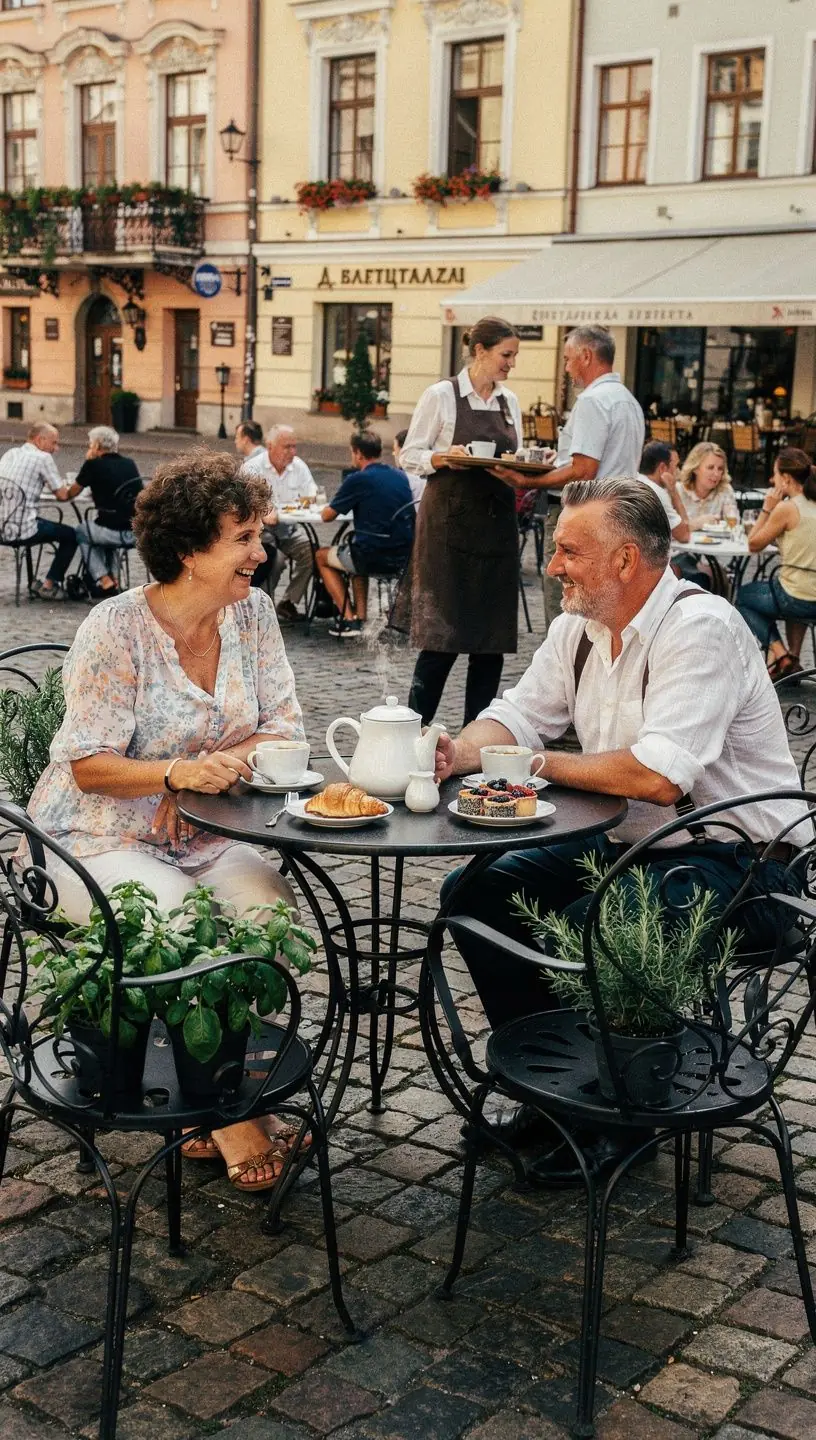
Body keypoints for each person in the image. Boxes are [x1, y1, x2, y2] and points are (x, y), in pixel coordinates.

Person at [433, 477, 808, 1179]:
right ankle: (556, 1096)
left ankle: (621, 1122)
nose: (552, 565)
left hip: (748, 868)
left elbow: (659, 777)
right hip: (635, 847)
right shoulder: (578, 628)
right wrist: (458, 750)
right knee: (474, 892)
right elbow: (517, 715)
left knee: (594, 924)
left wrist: (535, 764)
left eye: (569, 551)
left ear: (626, 559)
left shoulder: (699, 628)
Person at [26, 449, 306, 1194]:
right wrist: (171, 774)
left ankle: (217, 1085)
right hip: (93, 836)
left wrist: (198, 781)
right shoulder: (116, 627)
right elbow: (89, 764)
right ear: (188, 551)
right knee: (182, 928)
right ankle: (230, 1116)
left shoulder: (253, 615)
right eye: (242, 538)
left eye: (258, 535)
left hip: (208, 832)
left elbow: (284, 729)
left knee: (270, 916)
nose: (260, 552)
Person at [400, 315, 524, 725]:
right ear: (480, 351)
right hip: (448, 531)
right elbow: (409, 455)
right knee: (441, 640)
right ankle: (412, 732)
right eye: (506, 355)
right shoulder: (441, 395)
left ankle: (475, 737)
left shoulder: (509, 402)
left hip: (496, 529)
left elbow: (516, 456)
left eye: (514, 356)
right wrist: (442, 457)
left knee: (490, 644)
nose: (511, 364)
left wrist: (522, 467)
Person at [500, 327, 644, 632]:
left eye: (567, 359)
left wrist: (526, 481)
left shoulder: (593, 399)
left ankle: (565, 662)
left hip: (585, 515)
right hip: (617, 514)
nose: (566, 368)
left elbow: (583, 470)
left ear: (586, 356)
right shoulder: (628, 400)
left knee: (566, 611)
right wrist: (559, 462)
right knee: (600, 609)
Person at [315, 431, 414, 638]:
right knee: (354, 548)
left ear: (358, 453)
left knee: (321, 556)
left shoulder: (358, 479)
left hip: (371, 557)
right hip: (403, 557)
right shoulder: (399, 476)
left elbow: (327, 516)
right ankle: (361, 617)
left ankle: (349, 619)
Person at [737, 448, 816, 681]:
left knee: (742, 598)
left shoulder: (787, 508)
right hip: (811, 595)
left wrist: (767, 508)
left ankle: (782, 656)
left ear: (787, 479)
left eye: (775, 475)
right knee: (794, 587)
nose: (772, 480)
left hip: (795, 597)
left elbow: (754, 543)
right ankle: (794, 661)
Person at [0, 422, 77, 600]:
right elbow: (62, 495)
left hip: (2, 526)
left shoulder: (11, 453)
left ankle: (33, 580)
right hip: (23, 530)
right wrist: (78, 485)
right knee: (71, 535)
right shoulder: (42, 458)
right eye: (54, 443)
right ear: (40, 440)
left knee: (39, 521)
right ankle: (49, 585)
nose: (56, 448)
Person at [71, 425, 140, 597]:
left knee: (82, 531)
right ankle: (115, 578)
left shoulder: (93, 464)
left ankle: (104, 579)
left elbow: (71, 492)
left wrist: (89, 461)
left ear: (96, 445)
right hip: (133, 532)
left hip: (111, 531)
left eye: (90, 444)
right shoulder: (129, 463)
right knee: (102, 528)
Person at [262, 425, 317, 623]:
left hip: (289, 529)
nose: (292, 452)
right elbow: (244, 504)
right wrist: (263, 511)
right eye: (287, 447)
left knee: (312, 552)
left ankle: (288, 602)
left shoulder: (299, 467)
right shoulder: (253, 468)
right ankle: (262, 609)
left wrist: (308, 500)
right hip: (262, 533)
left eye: (294, 446)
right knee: (274, 561)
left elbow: (312, 494)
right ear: (270, 446)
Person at [638, 440, 689, 543]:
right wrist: (674, 492)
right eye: (675, 466)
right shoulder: (656, 492)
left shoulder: (633, 480)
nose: (678, 472)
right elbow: (684, 536)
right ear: (662, 468)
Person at [677, 442, 739, 526]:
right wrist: (700, 522)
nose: (716, 474)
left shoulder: (725, 490)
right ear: (695, 469)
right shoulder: (678, 491)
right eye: (710, 467)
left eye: (720, 469)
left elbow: (734, 524)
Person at [394, 427, 424, 505]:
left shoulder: (401, 479)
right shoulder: (430, 474)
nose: (394, 454)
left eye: (395, 450)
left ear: (403, 451)